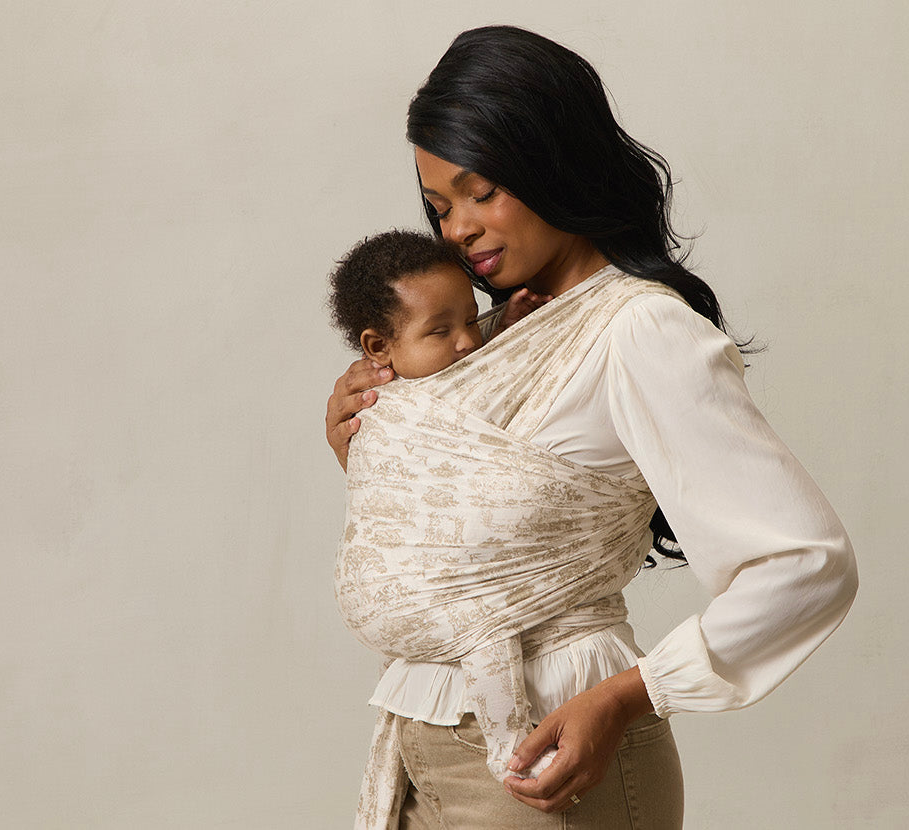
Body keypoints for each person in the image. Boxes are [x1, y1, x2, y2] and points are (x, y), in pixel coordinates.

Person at [322, 26, 860, 830]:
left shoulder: (640, 331)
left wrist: (625, 698)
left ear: (552, 162)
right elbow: (469, 533)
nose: (459, 228)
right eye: (440, 208)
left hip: (550, 757)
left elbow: (805, 564)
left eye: (481, 192)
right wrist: (377, 452)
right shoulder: (495, 332)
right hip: (417, 748)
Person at [327, 229, 544, 379]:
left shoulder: (458, 368)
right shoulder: (387, 408)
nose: (468, 342)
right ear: (379, 346)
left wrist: (505, 328)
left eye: (470, 321)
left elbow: (483, 377)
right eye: (440, 331)